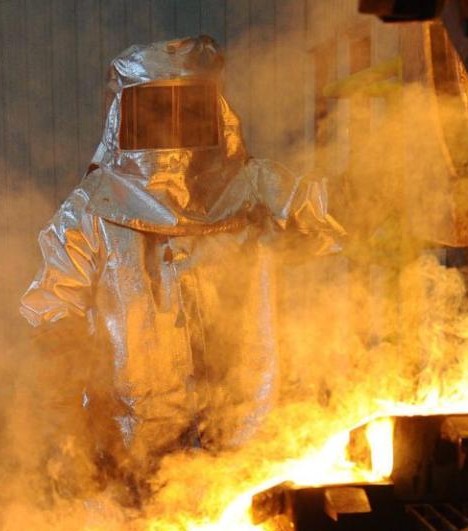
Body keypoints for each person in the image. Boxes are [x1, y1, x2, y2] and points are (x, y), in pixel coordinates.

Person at [19, 35, 342, 503]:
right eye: (155, 108)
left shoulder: (257, 186)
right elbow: (54, 318)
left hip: (249, 437)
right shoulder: (90, 209)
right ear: (126, 114)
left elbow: (328, 220)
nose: (171, 123)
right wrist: (75, 434)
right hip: (133, 446)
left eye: (187, 106)